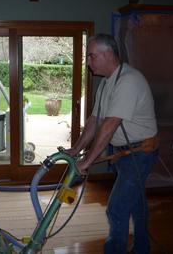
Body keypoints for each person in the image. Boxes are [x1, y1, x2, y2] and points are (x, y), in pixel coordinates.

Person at [66, 33, 159, 254]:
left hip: (140, 153)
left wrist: (87, 161)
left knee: (116, 209)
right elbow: (95, 120)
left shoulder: (128, 81)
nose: (88, 62)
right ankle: (142, 248)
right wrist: (76, 149)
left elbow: (110, 124)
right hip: (125, 153)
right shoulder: (107, 83)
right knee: (135, 203)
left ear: (108, 54)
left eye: (91, 56)